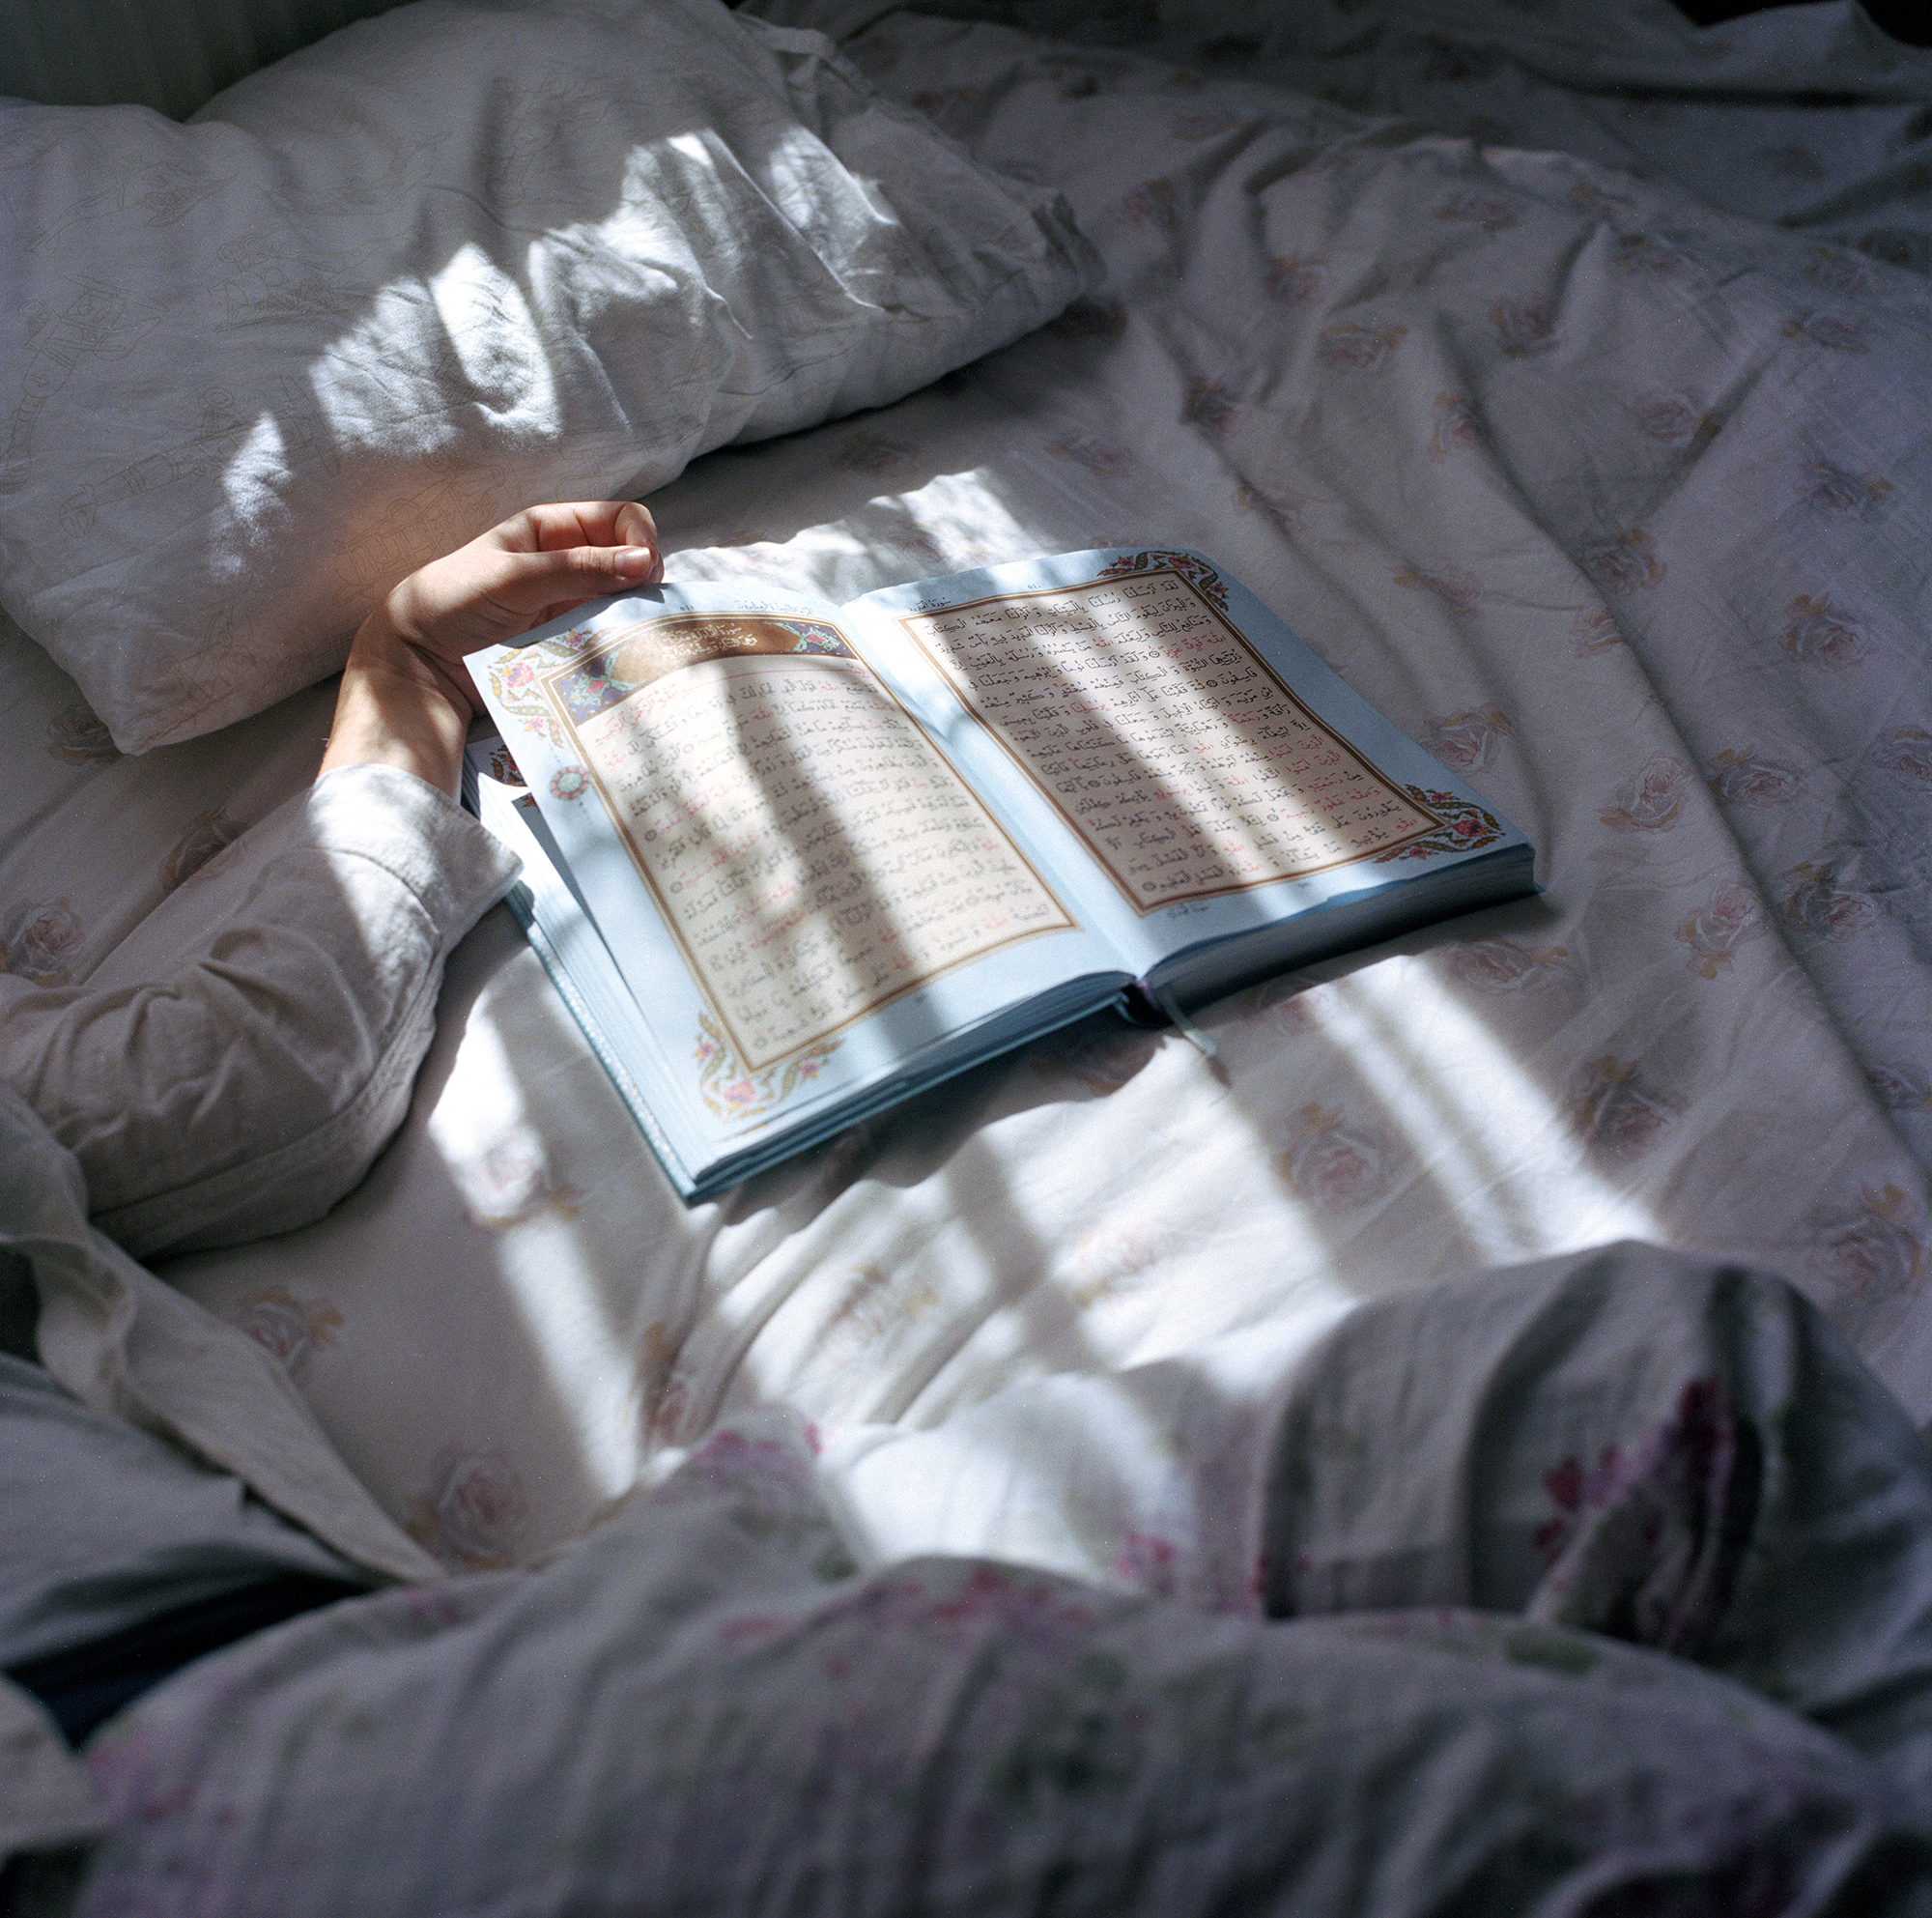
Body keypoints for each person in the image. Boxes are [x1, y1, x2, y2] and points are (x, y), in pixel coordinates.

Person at [3, 506, 1930, 1916]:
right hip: (186, 1787)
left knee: (1684, 1393)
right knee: (1699, 1832)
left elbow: (242, 1088)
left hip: (380, 1664)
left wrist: (403, 681)